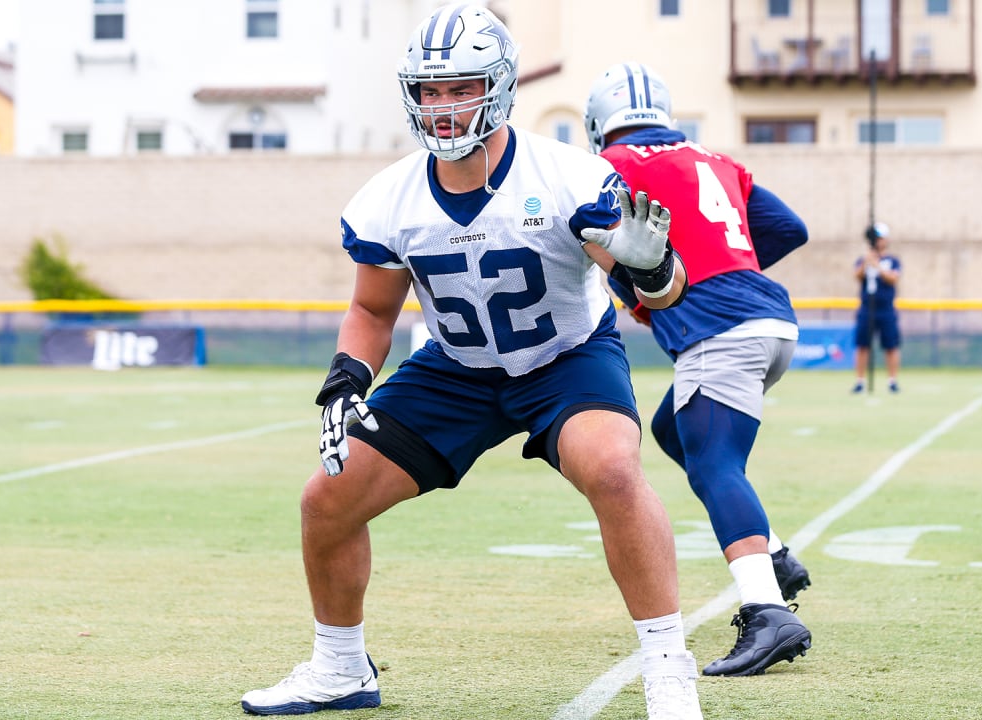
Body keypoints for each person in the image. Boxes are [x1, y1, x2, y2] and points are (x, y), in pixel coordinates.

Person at [242, 7, 704, 719]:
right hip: (455, 369)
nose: (444, 106)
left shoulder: (569, 176)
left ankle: (668, 667)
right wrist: (347, 379)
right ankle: (340, 669)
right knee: (327, 499)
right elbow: (371, 312)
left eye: (460, 88)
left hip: (565, 358)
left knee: (613, 469)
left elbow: (661, 293)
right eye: (429, 91)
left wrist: (654, 268)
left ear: (500, 86)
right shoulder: (388, 199)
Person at [583, 62, 813, 678]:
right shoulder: (714, 157)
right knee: (671, 430)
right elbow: (788, 229)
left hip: (720, 331)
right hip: (772, 321)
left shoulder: (609, 165)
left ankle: (767, 608)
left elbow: (596, 244)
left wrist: (673, 281)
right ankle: (774, 554)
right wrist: (723, 260)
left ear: (598, 122)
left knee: (714, 463)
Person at [851, 222, 902, 394]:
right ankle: (860, 381)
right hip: (867, 308)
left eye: (880, 238)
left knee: (891, 345)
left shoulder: (892, 260)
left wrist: (877, 265)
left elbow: (893, 279)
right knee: (862, 345)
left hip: (886, 309)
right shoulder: (863, 259)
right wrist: (867, 262)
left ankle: (892, 381)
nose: (878, 242)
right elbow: (857, 276)